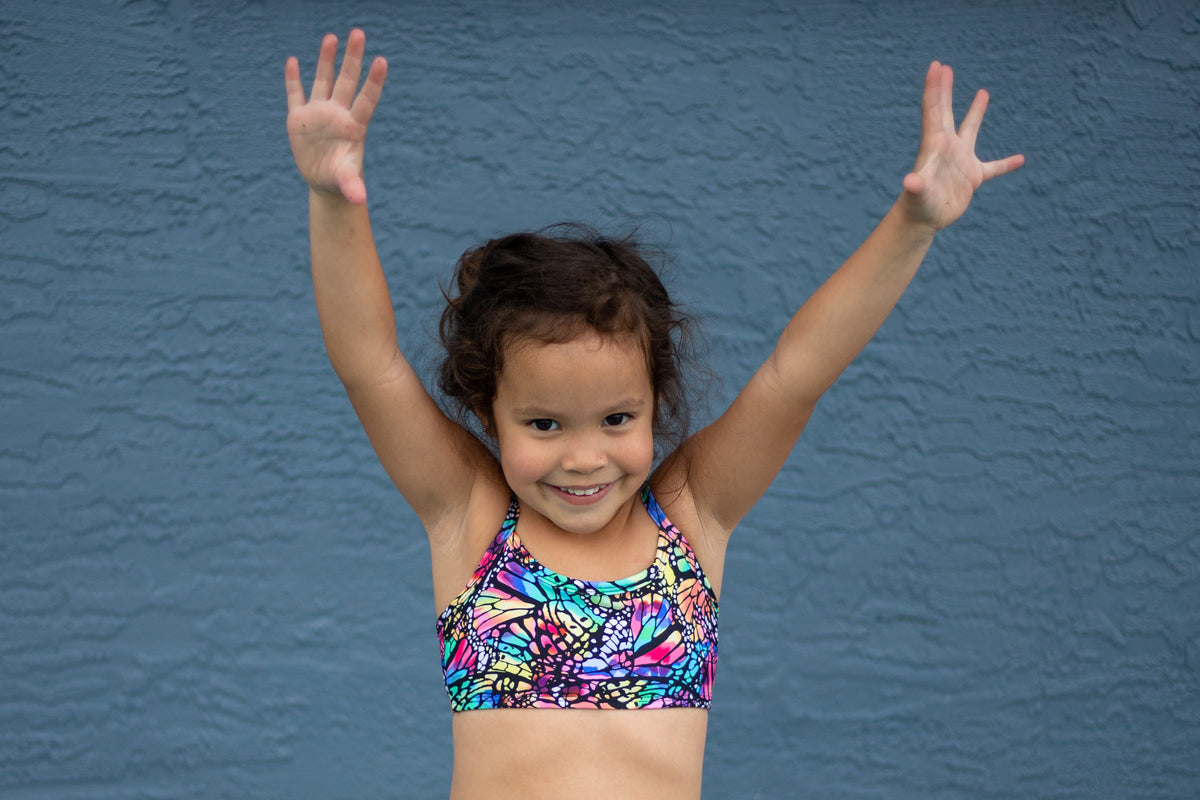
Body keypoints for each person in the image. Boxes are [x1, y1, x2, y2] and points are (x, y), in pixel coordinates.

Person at [283, 28, 1024, 800]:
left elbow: (796, 373)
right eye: (544, 425)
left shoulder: (691, 516)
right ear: (486, 411)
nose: (584, 458)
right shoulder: (470, 517)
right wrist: (331, 198)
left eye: (615, 420)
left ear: (655, 406)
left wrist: (912, 227)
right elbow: (370, 365)